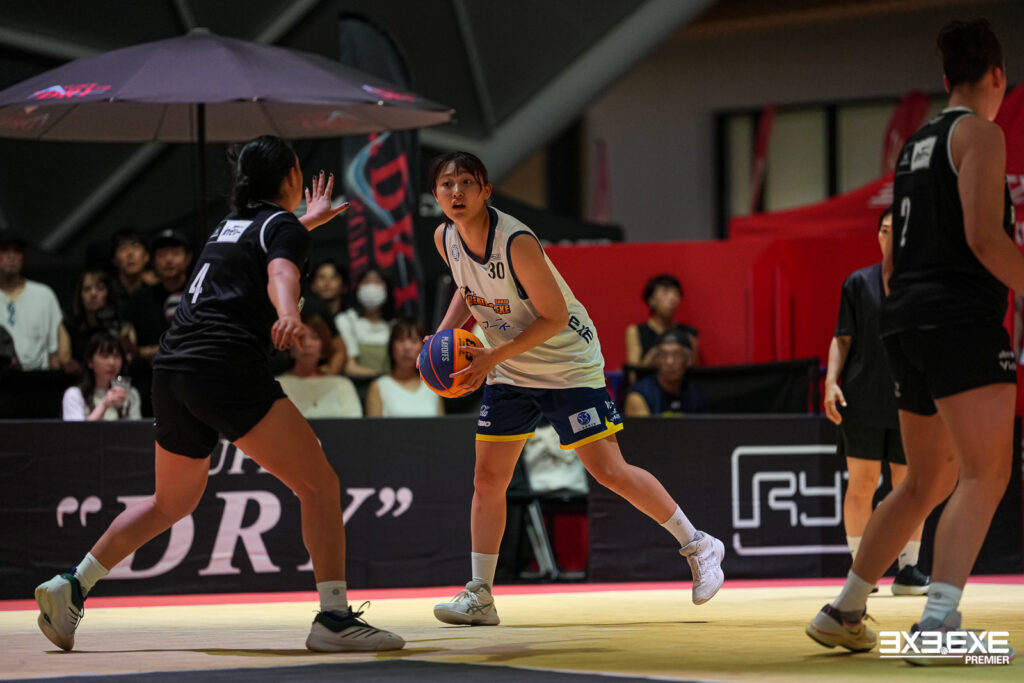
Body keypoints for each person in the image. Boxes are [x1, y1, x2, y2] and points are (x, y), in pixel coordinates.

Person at [33, 135, 403, 653]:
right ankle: (335, 619)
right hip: (224, 366)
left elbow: (268, 250)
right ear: (292, 178)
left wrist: (306, 222)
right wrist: (289, 312)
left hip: (172, 370)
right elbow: (280, 269)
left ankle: (72, 585)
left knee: (171, 501)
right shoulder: (281, 228)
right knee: (319, 484)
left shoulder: (229, 227)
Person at [426, 151, 724, 626]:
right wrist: (442, 336)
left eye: (466, 182)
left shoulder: (516, 241)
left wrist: (491, 358)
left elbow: (555, 317)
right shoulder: (445, 238)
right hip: (509, 364)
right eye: (447, 184)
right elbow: (468, 287)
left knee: (608, 470)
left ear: (486, 191)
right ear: (436, 195)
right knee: (488, 477)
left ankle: (699, 544)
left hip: (565, 361)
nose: (456, 191)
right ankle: (480, 593)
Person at [807, 19, 1018, 659]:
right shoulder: (979, 134)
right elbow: (985, 238)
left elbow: (895, 259)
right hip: (959, 318)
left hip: (904, 321)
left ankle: (845, 609)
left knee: (924, 480)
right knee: (986, 473)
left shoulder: (914, 146)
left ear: (945, 76)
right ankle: (938, 625)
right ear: (997, 77)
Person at [824, 206, 930, 596]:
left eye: (896, 229)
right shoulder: (858, 283)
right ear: (878, 235)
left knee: (909, 484)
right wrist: (830, 383)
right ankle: (860, 570)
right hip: (861, 398)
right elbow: (842, 338)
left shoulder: (924, 285)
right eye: (884, 229)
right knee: (863, 482)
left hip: (910, 399)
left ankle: (909, 569)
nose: (889, 236)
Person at [0, 234, 70, 371]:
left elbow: (55, 350)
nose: (11, 256)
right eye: (5, 250)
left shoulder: (44, 295)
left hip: (38, 377)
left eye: (17, 251)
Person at [276, 318, 361, 418]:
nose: (307, 344)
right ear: (289, 345)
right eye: (300, 338)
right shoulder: (278, 385)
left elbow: (354, 422)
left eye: (314, 338)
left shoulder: (342, 384)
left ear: (323, 347)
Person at [365, 317, 443, 417]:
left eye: (414, 341)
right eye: (401, 340)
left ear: (424, 347)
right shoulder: (378, 387)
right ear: (391, 346)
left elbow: (442, 425)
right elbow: (373, 427)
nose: (407, 347)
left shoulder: (433, 386)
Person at [624, 274, 699, 372]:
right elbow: (633, 373)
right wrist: (658, 350)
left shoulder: (688, 333)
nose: (672, 298)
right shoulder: (636, 331)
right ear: (651, 300)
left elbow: (694, 373)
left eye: (676, 293)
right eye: (665, 292)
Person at [624, 330, 710, 416]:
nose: (669, 362)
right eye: (663, 355)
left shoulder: (696, 395)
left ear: (688, 360)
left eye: (677, 355)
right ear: (655, 360)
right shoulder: (638, 396)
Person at [65, 269, 137, 369]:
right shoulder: (69, 326)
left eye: (100, 288)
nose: (93, 294)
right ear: (80, 295)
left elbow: (130, 360)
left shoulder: (123, 327)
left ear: (108, 293)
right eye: (87, 289)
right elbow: (66, 364)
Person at [62, 332, 141, 421]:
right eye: (105, 356)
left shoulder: (131, 394)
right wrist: (104, 405)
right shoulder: (75, 395)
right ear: (90, 362)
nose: (112, 362)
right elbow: (77, 429)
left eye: (116, 356)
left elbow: (136, 428)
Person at [335, 267, 394, 377]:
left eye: (377, 281)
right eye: (366, 281)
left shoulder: (393, 325)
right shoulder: (346, 320)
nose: (372, 286)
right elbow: (349, 366)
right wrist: (380, 378)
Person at [108, 229, 154, 316]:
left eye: (136, 247)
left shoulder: (156, 291)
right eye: (123, 248)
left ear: (147, 256)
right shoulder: (107, 294)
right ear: (114, 259)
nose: (130, 253)